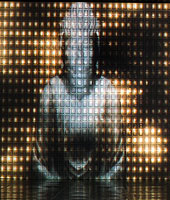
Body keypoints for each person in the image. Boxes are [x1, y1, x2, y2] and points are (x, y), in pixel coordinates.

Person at [33, 2, 123, 179]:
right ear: (63, 49)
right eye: (73, 46)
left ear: (95, 49)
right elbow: (40, 161)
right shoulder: (51, 91)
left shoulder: (107, 91)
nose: (80, 54)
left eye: (87, 46)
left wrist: (102, 189)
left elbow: (117, 162)